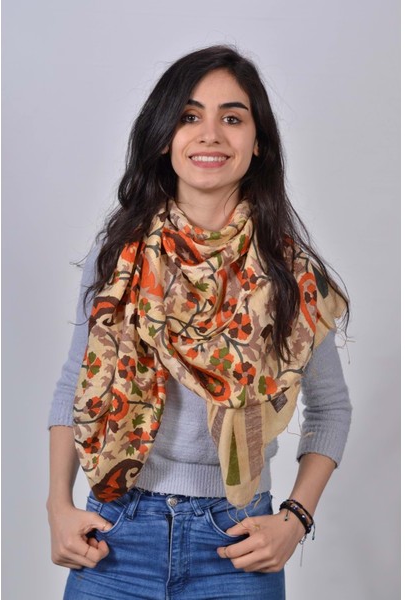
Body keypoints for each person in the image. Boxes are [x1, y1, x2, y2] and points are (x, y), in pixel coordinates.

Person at [47, 45, 352, 600]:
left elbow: (330, 408)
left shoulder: (290, 274)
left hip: (236, 539)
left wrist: (295, 520)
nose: (210, 134)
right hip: (115, 532)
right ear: (165, 137)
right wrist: (57, 505)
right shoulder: (120, 256)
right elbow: (75, 383)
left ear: (258, 143)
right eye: (190, 116)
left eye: (232, 118)